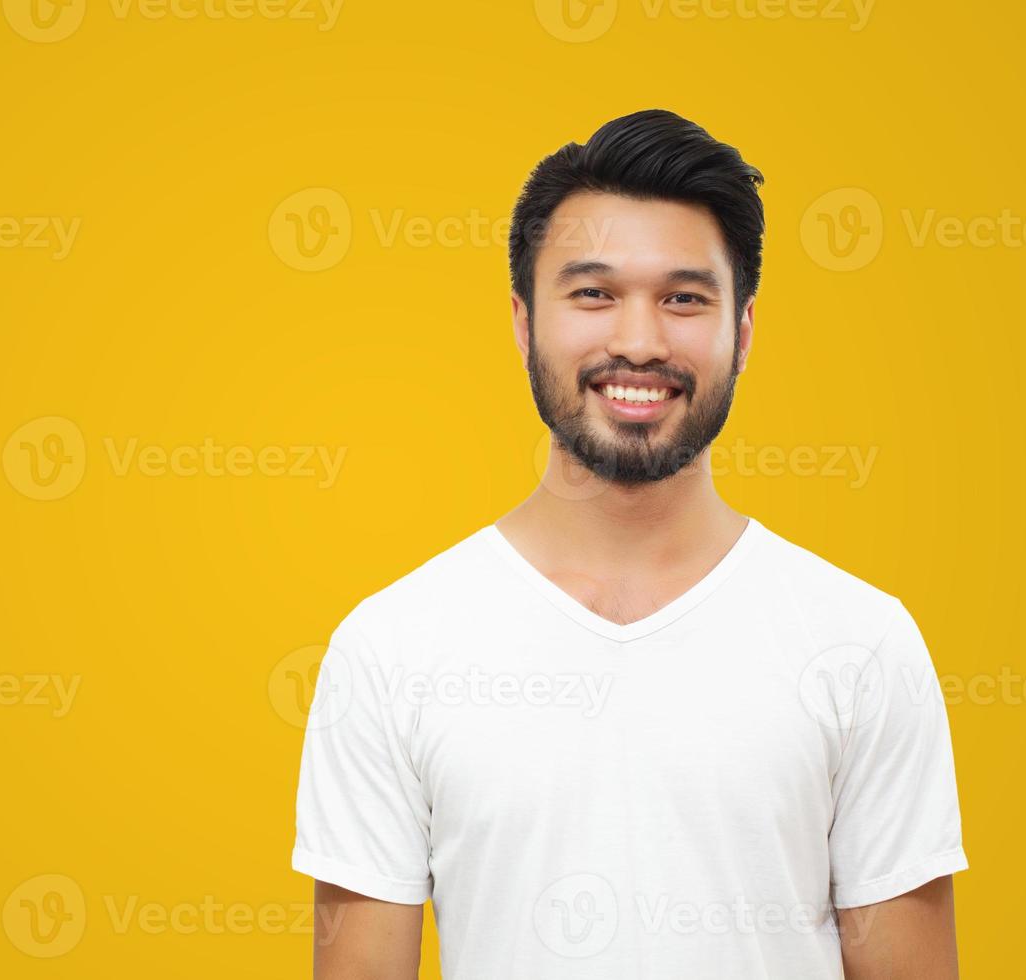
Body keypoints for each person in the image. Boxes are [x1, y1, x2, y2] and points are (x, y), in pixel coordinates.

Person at [291, 109, 967, 979]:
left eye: (685, 298)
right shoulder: (389, 649)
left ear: (745, 331)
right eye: (593, 293)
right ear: (523, 323)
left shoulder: (862, 642)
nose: (640, 342)